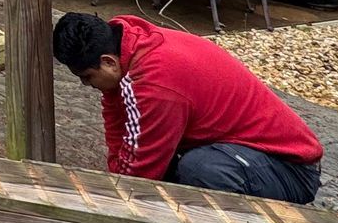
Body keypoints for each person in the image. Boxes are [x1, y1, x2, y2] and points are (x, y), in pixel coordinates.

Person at [51, 11, 322, 203]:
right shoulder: (130, 44)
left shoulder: (155, 83)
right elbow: (117, 116)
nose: (87, 85)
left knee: (197, 170)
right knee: (171, 173)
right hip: (243, 152)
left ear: (108, 62)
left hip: (290, 170)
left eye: (87, 77)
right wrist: (115, 178)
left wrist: (114, 199)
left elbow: (141, 168)